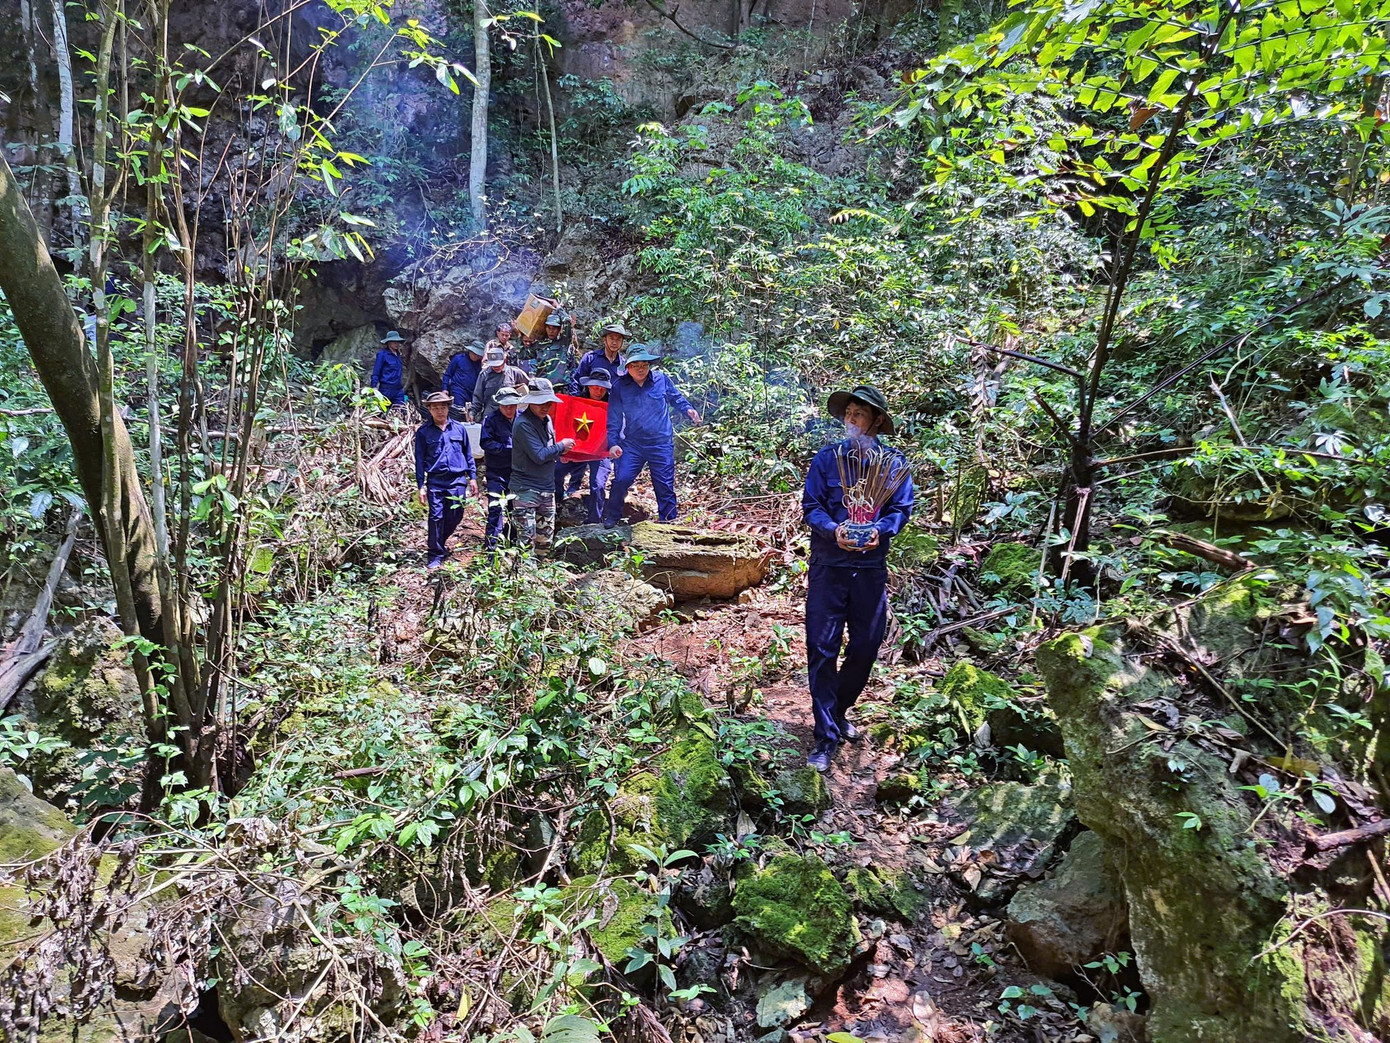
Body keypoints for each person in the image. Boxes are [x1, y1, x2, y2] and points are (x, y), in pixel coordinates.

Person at [800, 385, 915, 772]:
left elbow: (900, 510)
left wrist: (879, 530)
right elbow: (811, 506)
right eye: (848, 412)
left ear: (877, 420)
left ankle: (837, 710)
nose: (850, 419)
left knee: (866, 646)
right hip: (829, 566)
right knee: (821, 647)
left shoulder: (894, 464)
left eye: (859, 414)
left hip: (869, 569)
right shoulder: (827, 459)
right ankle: (825, 735)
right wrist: (834, 530)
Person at [602, 345, 701, 527]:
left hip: (660, 444)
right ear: (628, 367)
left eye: (644, 365)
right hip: (633, 444)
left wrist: (689, 410)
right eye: (636, 365)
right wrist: (613, 443)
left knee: (664, 485)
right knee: (622, 479)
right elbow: (614, 418)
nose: (641, 369)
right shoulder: (619, 386)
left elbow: (676, 398)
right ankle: (612, 517)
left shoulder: (661, 379)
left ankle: (668, 523)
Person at [415, 390, 479, 569]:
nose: (440, 411)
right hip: (436, 480)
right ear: (429, 409)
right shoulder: (423, 432)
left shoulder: (459, 429)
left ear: (448, 407)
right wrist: (421, 486)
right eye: (435, 408)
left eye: (443, 407)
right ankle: (434, 554)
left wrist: (473, 477)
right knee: (436, 516)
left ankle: (440, 541)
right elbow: (419, 460)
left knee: (456, 514)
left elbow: (468, 454)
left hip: (457, 480)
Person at [511, 378, 574, 552]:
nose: (545, 406)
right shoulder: (523, 423)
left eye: (548, 402)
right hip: (526, 489)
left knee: (544, 544)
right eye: (540, 403)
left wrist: (561, 454)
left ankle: (541, 568)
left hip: (547, 487)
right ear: (531, 401)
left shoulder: (547, 420)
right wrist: (561, 446)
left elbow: (548, 449)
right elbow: (539, 455)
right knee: (526, 545)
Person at [555, 373, 613, 523]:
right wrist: (563, 452)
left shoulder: (613, 405)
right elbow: (564, 426)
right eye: (595, 387)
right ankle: (557, 508)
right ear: (588, 386)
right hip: (576, 449)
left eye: (602, 389)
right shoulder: (576, 402)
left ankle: (594, 522)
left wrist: (613, 447)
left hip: (600, 452)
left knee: (598, 485)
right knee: (555, 473)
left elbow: (619, 430)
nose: (598, 391)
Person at [480, 385, 523, 549]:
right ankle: (491, 548)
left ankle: (511, 543)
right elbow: (485, 442)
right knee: (495, 509)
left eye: (512, 405)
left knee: (516, 510)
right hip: (496, 472)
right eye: (505, 406)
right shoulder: (490, 420)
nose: (509, 409)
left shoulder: (523, 419)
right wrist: (507, 449)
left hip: (517, 472)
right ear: (499, 405)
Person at [569, 321, 631, 395]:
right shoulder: (590, 358)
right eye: (611, 338)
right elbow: (576, 381)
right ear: (604, 339)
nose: (614, 343)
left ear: (622, 342)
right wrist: (576, 399)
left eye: (618, 339)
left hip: (614, 402)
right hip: (591, 401)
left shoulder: (624, 365)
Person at [472, 345, 528, 418]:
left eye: (498, 365)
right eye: (494, 366)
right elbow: (477, 396)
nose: (496, 367)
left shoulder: (515, 372)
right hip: (491, 415)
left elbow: (530, 386)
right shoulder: (484, 374)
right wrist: (473, 412)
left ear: (504, 360)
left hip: (510, 413)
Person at [442, 341, 485, 419]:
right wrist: (445, 388)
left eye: (478, 355)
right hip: (458, 390)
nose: (476, 357)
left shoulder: (481, 364)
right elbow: (448, 374)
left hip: (472, 393)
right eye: (475, 354)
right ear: (470, 351)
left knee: (471, 414)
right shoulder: (459, 359)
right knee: (459, 411)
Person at [371, 330, 408, 407]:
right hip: (386, 389)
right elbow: (376, 372)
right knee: (383, 410)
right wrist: (374, 387)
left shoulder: (398, 354)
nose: (396, 344)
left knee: (401, 409)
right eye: (394, 342)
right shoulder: (382, 354)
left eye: (397, 342)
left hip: (398, 389)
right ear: (388, 342)